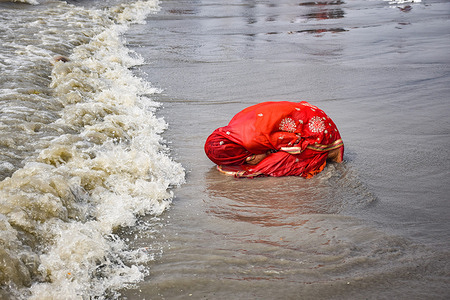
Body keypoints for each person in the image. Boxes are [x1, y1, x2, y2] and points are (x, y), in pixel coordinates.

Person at [204, 101, 344, 178]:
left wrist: (253, 159)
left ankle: (331, 153)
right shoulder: (234, 125)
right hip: (311, 112)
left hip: (320, 132)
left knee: (270, 165)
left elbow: (294, 141)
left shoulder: (250, 140)